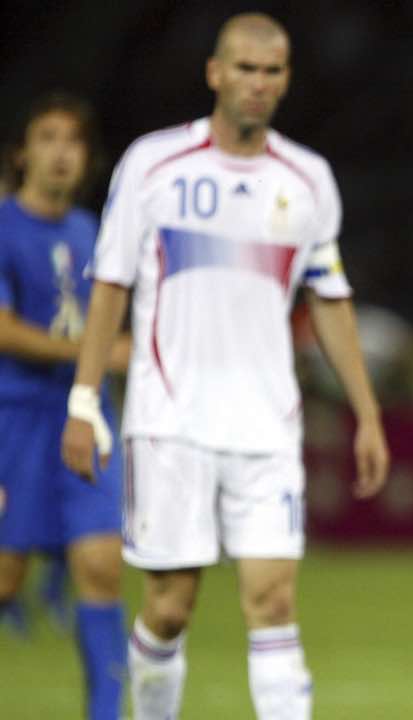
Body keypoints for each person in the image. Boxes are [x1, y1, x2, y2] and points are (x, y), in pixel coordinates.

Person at [60, 13, 390, 720]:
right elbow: (111, 284)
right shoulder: (154, 164)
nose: (258, 84)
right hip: (169, 422)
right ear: (215, 73)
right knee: (170, 608)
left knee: (273, 601)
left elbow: (329, 300)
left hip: (267, 425)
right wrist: (84, 402)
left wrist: (366, 412)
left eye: (272, 71)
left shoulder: (307, 181)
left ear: (286, 80)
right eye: (245, 68)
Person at [0, 92, 131, 720]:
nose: (60, 151)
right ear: (23, 152)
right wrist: (96, 349)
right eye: (47, 137)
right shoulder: (1, 227)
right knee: (4, 578)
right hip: (15, 419)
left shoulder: (92, 232)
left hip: (84, 416)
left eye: (72, 141)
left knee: (102, 566)